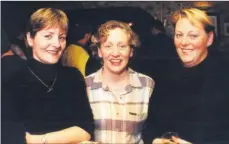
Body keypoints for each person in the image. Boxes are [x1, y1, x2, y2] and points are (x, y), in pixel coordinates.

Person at [2, 8, 94, 144]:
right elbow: (9, 135)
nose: (57, 44)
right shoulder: (12, 77)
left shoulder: (73, 77)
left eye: (61, 37)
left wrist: (38, 140)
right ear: (30, 39)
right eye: (48, 36)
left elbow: (86, 130)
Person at [143, 8, 229, 144]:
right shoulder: (164, 73)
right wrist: (155, 140)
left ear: (209, 39)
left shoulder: (223, 76)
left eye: (193, 36)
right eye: (179, 35)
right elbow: (150, 124)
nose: (183, 42)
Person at [85, 20, 155, 144]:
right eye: (108, 46)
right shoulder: (85, 86)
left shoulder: (147, 85)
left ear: (131, 51)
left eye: (122, 46)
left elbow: (154, 132)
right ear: (100, 51)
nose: (116, 53)